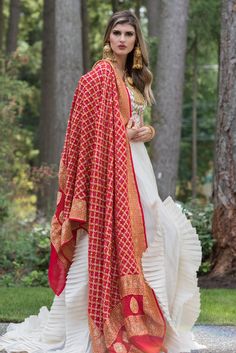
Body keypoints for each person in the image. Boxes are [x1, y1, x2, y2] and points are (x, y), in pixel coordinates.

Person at [0, 10, 205, 353]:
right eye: (117, 33)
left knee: (159, 235)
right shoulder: (99, 76)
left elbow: (138, 125)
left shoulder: (133, 80)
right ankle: (83, 323)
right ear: (108, 37)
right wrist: (123, 135)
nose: (122, 39)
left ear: (137, 40)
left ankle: (150, 317)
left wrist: (145, 131)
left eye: (129, 34)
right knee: (98, 243)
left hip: (136, 166)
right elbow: (89, 130)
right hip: (109, 171)